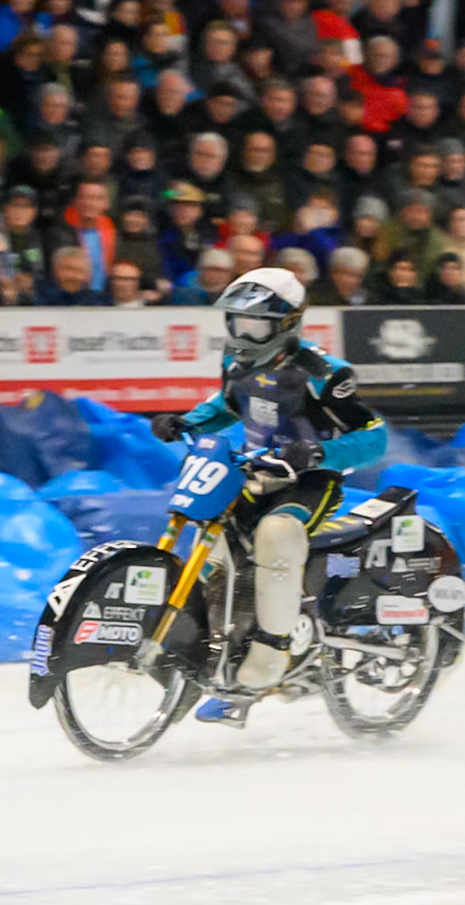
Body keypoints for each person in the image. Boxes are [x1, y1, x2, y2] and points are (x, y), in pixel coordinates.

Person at [149, 269, 387, 725]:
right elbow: (228, 405)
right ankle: (222, 647)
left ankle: (270, 658)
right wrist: (188, 422)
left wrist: (320, 452)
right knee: (217, 541)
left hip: (310, 481)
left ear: (287, 323)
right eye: (236, 322)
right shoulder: (235, 362)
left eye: (255, 325)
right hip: (256, 471)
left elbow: (373, 437)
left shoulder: (324, 374)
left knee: (276, 535)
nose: (242, 334)